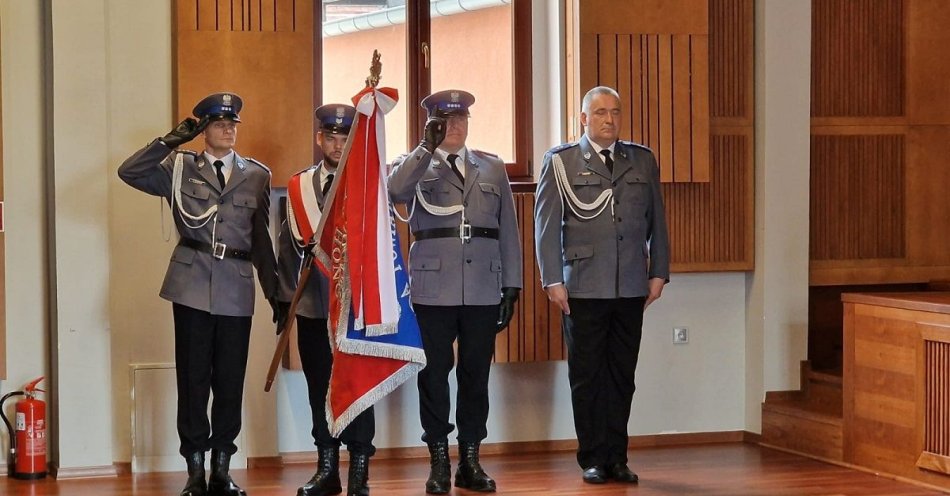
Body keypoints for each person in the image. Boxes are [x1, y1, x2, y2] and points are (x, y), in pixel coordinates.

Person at [118, 92, 283, 496]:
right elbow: (130, 172)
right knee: (194, 381)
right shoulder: (178, 169)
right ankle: (194, 470)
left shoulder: (256, 175)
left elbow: (261, 240)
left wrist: (275, 292)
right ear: (203, 130)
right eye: (219, 123)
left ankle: (222, 469)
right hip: (191, 285)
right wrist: (170, 141)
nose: (228, 129)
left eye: (232, 124)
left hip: (236, 288)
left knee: (229, 381)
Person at [534, 86, 670, 485]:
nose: (609, 120)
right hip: (583, 286)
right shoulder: (561, 162)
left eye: (615, 112)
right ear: (583, 119)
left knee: (622, 375)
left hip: (630, 284)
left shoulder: (640, 160)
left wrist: (658, 271)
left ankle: (617, 456)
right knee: (588, 375)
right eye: (599, 113)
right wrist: (552, 280)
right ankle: (592, 456)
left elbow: (656, 221)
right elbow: (546, 228)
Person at [388, 89, 522, 494]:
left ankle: (470, 460)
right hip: (433, 289)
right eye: (447, 121)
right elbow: (395, 192)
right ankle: (437, 461)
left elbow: (508, 232)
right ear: (433, 124)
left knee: (475, 375)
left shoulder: (492, 166)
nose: (457, 127)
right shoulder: (413, 164)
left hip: (483, 284)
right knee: (433, 376)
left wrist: (511, 284)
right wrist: (425, 148)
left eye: (462, 119)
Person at [277, 104, 375, 496]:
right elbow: (287, 248)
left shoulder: (366, 181)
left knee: (359, 384)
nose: (337, 144)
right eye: (330, 136)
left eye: (344, 137)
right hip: (314, 306)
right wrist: (286, 303)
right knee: (319, 385)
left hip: (355, 306)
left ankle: (360, 469)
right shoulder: (299, 186)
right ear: (319, 138)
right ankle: (327, 467)